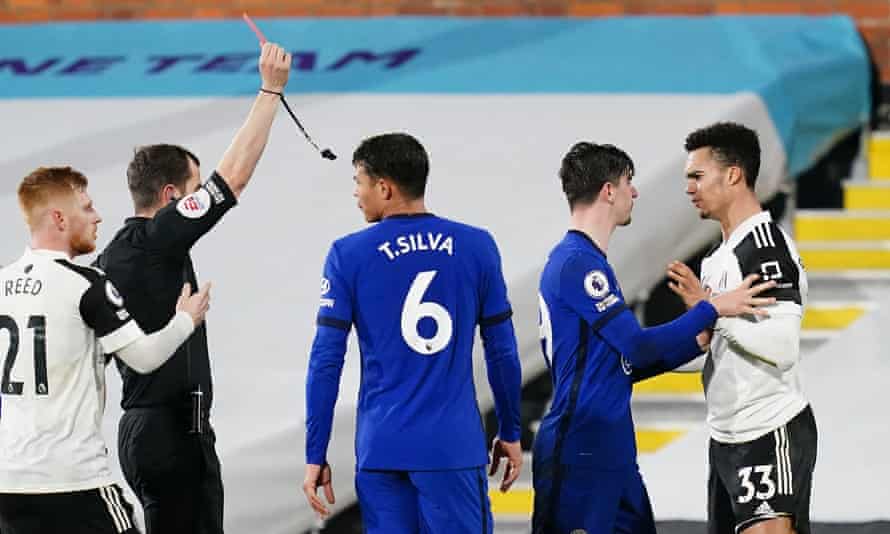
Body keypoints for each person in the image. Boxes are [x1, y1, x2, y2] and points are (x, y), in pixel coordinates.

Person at [94, 42, 292, 534]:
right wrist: (270, 92)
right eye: (194, 189)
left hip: (142, 432)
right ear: (171, 197)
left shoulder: (110, 259)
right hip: (172, 435)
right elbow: (233, 181)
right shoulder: (157, 238)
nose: (201, 198)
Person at [531, 142, 777, 534]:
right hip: (581, 447)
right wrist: (712, 308)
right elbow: (638, 347)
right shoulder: (578, 264)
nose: (635, 191)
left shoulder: (586, 261)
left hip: (610, 447)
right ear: (608, 191)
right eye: (628, 182)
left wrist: (695, 341)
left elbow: (619, 365)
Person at [302, 133, 523, 534]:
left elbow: (325, 360)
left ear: (384, 188)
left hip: (381, 449)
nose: (355, 193)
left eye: (358, 182)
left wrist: (315, 452)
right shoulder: (477, 246)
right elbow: (502, 351)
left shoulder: (347, 255)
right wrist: (510, 430)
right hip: (451, 448)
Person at [0, 166, 210, 534]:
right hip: (73, 481)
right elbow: (144, 358)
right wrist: (185, 321)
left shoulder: (3, 283)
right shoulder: (86, 285)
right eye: (87, 207)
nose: (97, 216)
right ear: (59, 218)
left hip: (9, 483)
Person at [667, 122, 816, 534]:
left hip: (768, 430)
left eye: (697, 176)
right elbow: (714, 348)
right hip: (726, 438)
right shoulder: (717, 257)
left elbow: (783, 347)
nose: (689, 188)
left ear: (733, 174)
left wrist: (713, 310)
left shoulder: (764, 249)